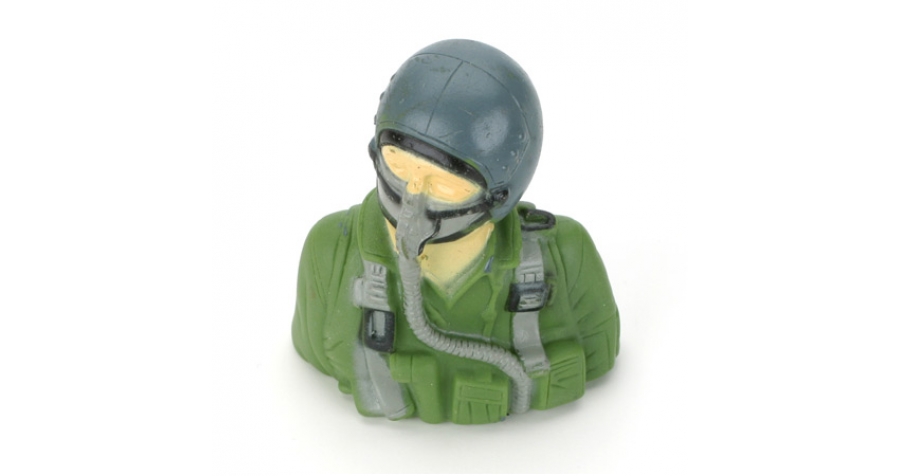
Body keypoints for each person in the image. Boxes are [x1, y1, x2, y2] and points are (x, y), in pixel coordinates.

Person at [292, 39, 619, 424]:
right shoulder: (331, 255)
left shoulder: (564, 259)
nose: (413, 195)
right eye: (398, 164)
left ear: (498, 196)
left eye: (446, 185)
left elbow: (599, 353)